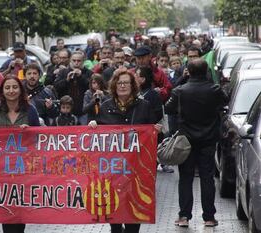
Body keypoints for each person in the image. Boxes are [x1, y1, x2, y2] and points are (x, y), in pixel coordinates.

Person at [88, 69, 160, 233]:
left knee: (134, 213)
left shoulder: (144, 106)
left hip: (137, 168)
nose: (122, 86)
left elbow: (152, 136)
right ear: (114, 86)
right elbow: (98, 135)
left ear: (133, 85)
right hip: (112, 168)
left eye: (126, 83)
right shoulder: (105, 107)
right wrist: (93, 125)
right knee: (114, 210)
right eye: (119, 83)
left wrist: (156, 131)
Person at [165, 59, 228, 228]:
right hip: (208, 140)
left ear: (188, 71)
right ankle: (209, 217)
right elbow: (225, 101)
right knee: (207, 178)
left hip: (186, 141)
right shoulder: (214, 89)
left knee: (185, 178)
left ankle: (184, 216)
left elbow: (168, 109)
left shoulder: (180, 91)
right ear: (206, 71)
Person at [0, 75, 40, 233]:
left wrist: (30, 132)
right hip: (2, 169)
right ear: (2, 91)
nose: (11, 91)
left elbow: (41, 138)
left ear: (20, 90)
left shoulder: (30, 110)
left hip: (24, 170)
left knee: (20, 210)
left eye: (15, 87)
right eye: (7, 87)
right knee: (6, 209)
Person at [54, 50, 92, 125]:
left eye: (79, 61)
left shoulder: (88, 73)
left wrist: (81, 77)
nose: (76, 63)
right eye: (74, 60)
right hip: (67, 111)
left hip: (82, 111)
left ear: (83, 61)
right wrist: (66, 80)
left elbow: (92, 87)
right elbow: (56, 87)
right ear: (70, 61)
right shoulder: (63, 72)